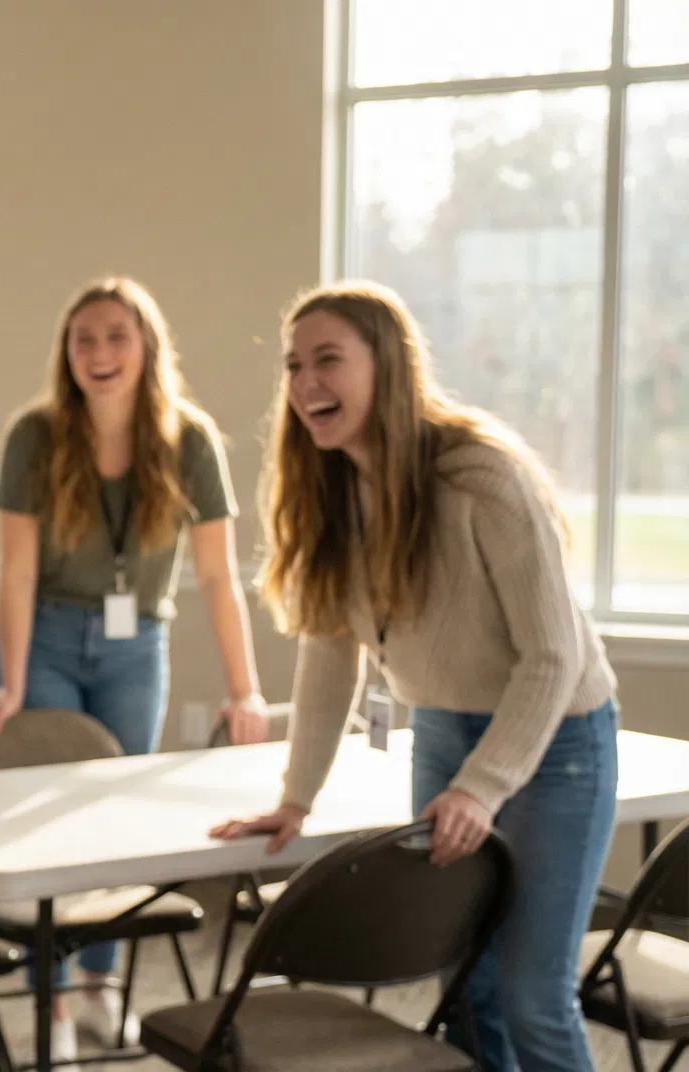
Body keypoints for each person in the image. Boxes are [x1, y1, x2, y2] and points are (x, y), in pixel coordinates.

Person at [212, 281, 619, 1072]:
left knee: (535, 1000)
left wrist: (482, 784)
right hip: (440, 729)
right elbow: (331, 652)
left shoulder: (481, 478)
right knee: (472, 987)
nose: (304, 384)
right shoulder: (329, 492)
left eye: (328, 359)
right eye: (294, 366)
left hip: (557, 742)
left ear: (389, 367)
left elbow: (553, 654)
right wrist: (297, 797)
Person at [0, 276, 268, 1058]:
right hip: (46, 637)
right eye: (84, 339)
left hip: (137, 645)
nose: (99, 354)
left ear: (147, 349)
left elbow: (215, 576)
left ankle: (103, 985)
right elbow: (15, 572)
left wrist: (246, 689)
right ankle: (55, 1001)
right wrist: (8, 678)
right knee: (41, 815)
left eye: (116, 337)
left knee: (112, 821)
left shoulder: (189, 440)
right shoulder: (34, 437)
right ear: (66, 355)